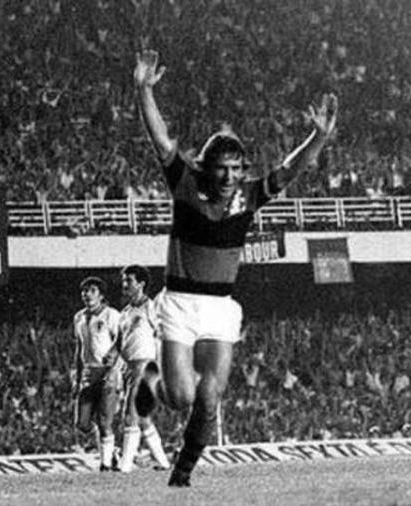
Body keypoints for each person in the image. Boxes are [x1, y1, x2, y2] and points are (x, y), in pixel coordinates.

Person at [132, 49, 338, 487]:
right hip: (181, 303)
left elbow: (289, 170)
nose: (228, 177)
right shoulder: (186, 184)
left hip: (220, 306)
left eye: (235, 169)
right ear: (206, 168)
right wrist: (144, 90)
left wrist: (317, 138)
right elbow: (161, 139)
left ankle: (182, 474)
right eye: (221, 169)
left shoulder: (249, 195)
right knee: (182, 396)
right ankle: (151, 381)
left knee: (211, 395)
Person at [115, 264, 171, 473]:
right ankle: (164, 463)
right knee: (143, 418)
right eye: (124, 281)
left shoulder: (151, 307)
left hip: (146, 365)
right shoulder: (125, 313)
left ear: (141, 284)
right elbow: (123, 344)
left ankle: (125, 467)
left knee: (129, 415)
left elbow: (162, 335)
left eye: (129, 281)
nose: (125, 285)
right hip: (130, 367)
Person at [72, 276, 122, 471]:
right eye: (84, 291)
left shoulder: (111, 315)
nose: (87, 294)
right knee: (82, 424)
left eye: (92, 291)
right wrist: (76, 377)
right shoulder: (79, 317)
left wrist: (114, 370)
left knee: (104, 420)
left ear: (101, 295)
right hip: (88, 373)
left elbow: (120, 344)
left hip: (107, 372)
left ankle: (105, 463)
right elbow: (79, 348)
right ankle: (112, 451)